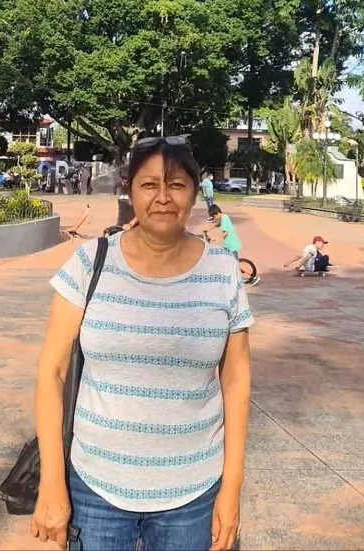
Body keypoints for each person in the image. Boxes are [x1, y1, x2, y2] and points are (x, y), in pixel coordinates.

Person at [32, 136, 253, 551]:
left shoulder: (223, 272)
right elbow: (51, 372)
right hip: (94, 489)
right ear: (129, 190)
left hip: (194, 493)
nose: (163, 198)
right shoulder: (89, 262)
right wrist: (52, 483)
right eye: (149, 185)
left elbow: (237, 380)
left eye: (177, 185)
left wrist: (232, 489)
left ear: (195, 191)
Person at [208, 204, 260, 287]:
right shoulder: (224, 217)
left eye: (213, 217)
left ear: (217, 213)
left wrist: (216, 238)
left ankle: (254, 276)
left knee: (236, 264)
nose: (214, 219)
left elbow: (225, 233)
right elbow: (219, 225)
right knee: (230, 262)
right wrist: (209, 229)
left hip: (231, 245)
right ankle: (233, 276)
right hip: (229, 245)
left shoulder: (224, 219)